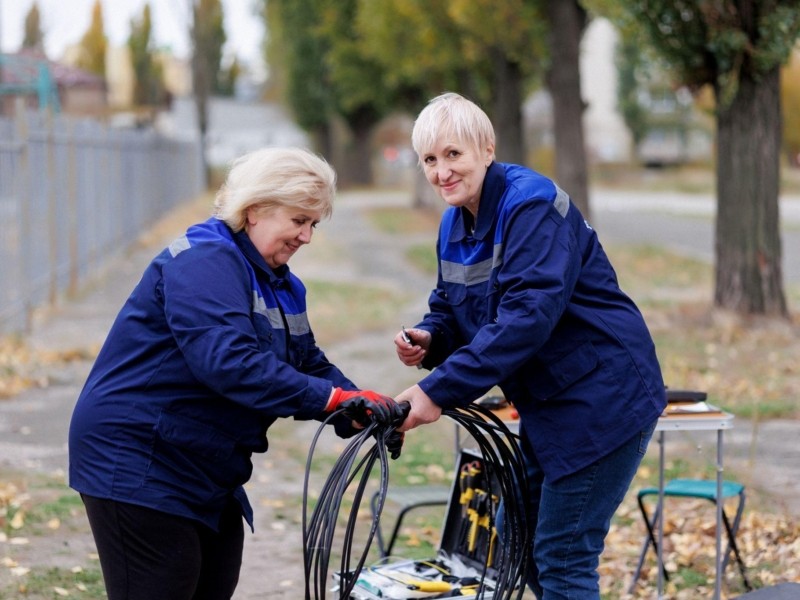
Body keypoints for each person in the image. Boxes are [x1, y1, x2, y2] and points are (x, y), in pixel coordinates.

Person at [68, 146, 406, 600]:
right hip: (139, 458)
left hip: (203, 467)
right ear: (255, 210)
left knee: (215, 581)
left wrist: (359, 406)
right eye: (298, 220)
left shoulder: (280, 281)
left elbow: (306, 361)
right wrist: (330, 401)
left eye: (313, 224)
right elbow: (229, 364)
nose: (306, 236)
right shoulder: (205, 260)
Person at [393, 92, 666, 599]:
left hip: (602, 397)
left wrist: (435, 391)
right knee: (516, 531)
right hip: (549, 402)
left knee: (562, 556)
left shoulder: (533, 206)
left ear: (487, 148)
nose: (442, 171)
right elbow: (450, 306)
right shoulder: (455, 221)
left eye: (453, 154)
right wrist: (430, 338)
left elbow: (526, 318)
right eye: (430, 160)